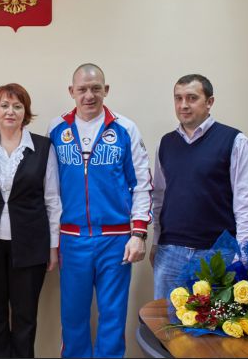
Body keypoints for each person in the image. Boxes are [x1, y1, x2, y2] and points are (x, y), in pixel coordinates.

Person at [48, 63, 153, 358]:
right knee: (73, 318)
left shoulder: (125, 128)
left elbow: (142, 185)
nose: (89, 95)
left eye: (96, 88)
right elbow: (50, 191)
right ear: (71, 91)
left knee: (113, 317)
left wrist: (138, 234)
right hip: (72, 239)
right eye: (82, 89)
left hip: (116, 240)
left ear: (106, 90)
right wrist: (52, 241)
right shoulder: (56, 130)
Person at [0, 83, 61, 358]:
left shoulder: (43, 147)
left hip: (30, 246)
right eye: (4, 106)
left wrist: (53, 247)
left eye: (17, 106)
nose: (11, 111)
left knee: (25, 319)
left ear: (25, 112)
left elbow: (52, 200)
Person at [150, 74, 248, 300]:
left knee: (214, 322)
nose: (183, 105)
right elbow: (159, 198)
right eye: (178, 98)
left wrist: (242, 257)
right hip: (170, 253)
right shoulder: (165, 143)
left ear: (209, 102)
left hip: (218, 254)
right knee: (165, 320)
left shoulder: (234, 141)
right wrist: (156, 242)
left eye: (192, 98)